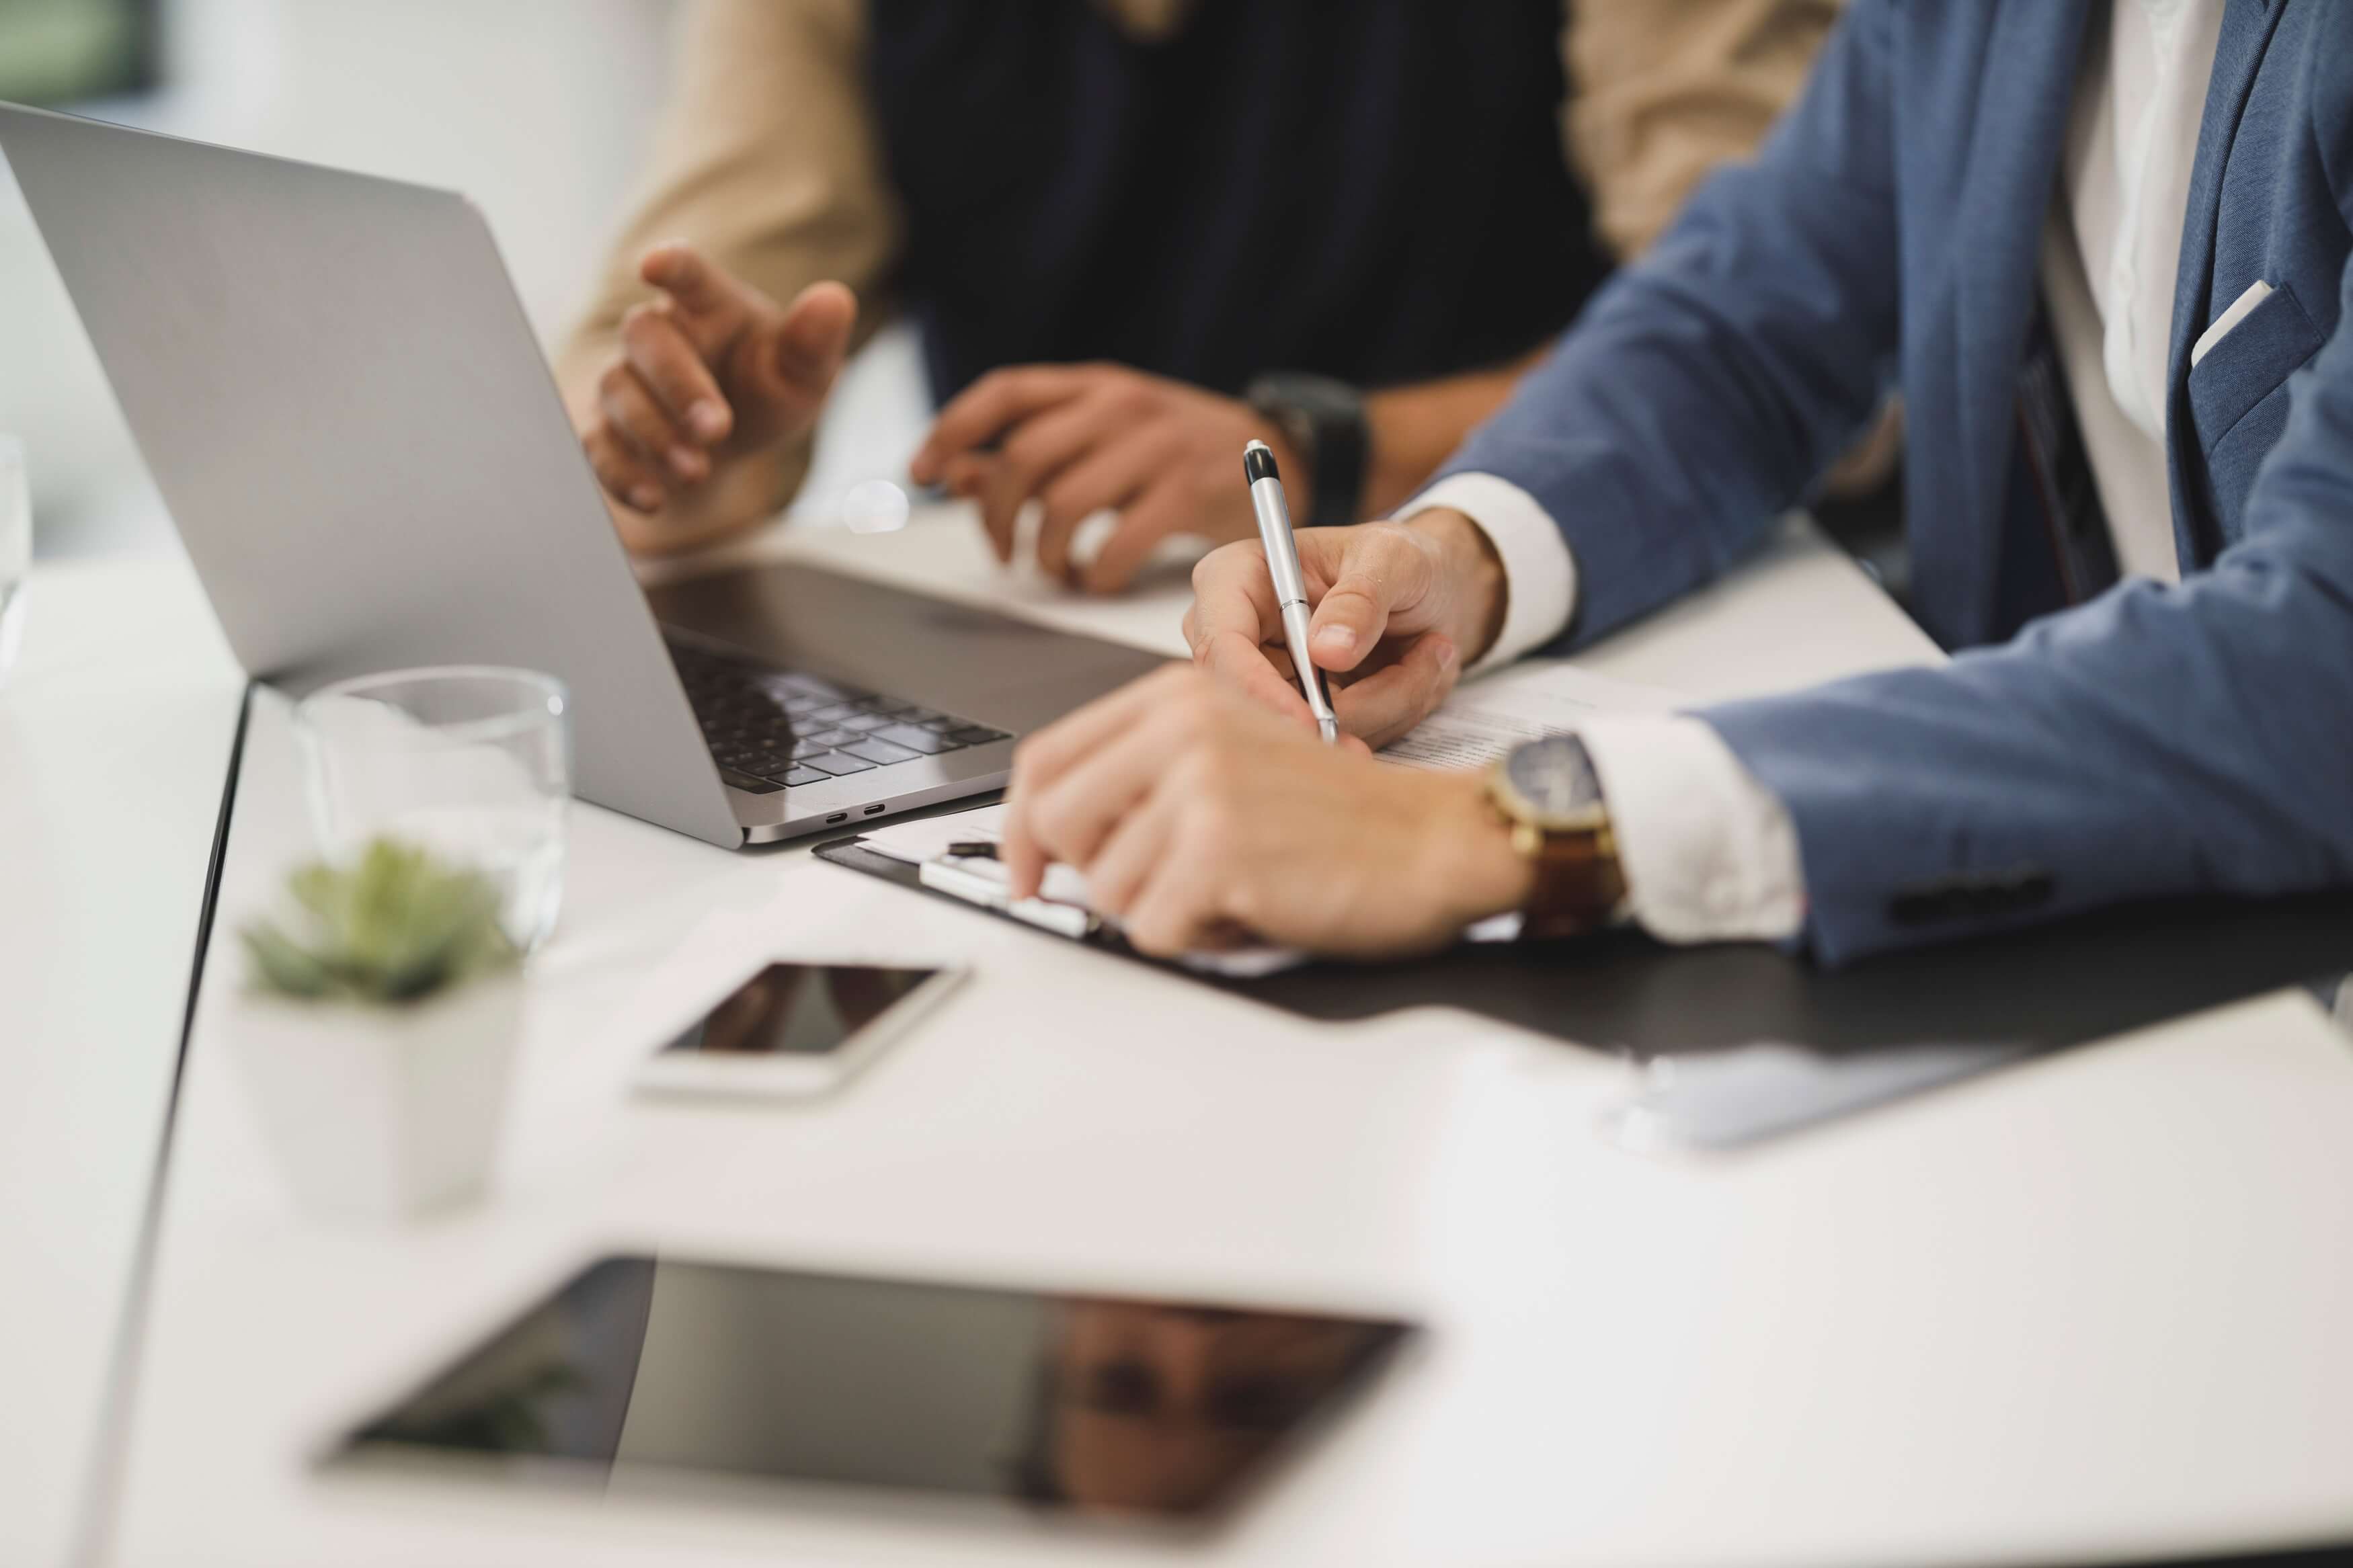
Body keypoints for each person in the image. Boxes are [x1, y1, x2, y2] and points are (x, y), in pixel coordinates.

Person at [998, 0, 2353, 967]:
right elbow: (1748, 322)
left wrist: (1504, 827)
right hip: (2082, 939)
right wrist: (1456, 558)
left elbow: (2323, 658)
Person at [559, 0, 1843, 591]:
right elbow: (641, 343)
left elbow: (1809, 353)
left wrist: (1317, 454)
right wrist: (672, 440)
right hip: (1043, 664)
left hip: (1534, 619)